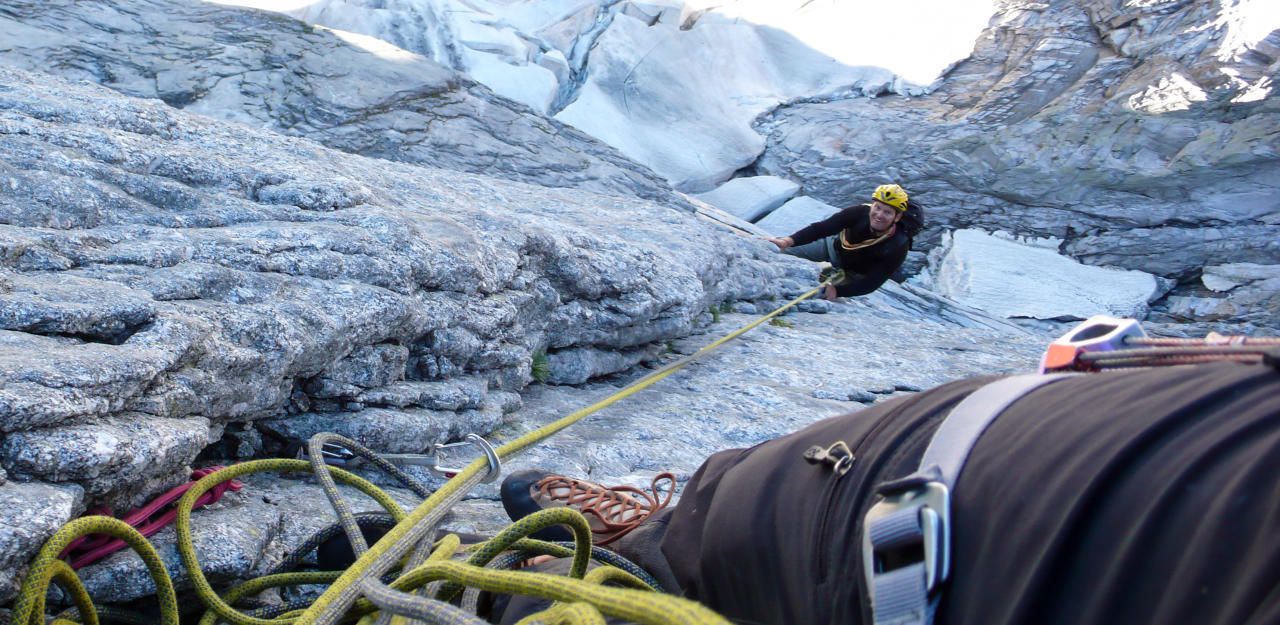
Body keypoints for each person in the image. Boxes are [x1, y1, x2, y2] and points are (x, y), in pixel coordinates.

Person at [496, 356, 1280, 625]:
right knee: (689, 546)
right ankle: (619, 563)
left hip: (985, 464)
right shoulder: (869, 222)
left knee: (722, 529)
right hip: (941, 479)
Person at [766, 184, 914, 300]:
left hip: (856, 273)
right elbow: (822, 228)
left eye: (887, 212)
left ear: (897, 217)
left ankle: (831, 275)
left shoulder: (898, 245)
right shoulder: (858, 212)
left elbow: (872, 282)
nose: (879, 215)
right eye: (877, 207)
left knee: (817, 294)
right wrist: (788, 241)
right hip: (834, 248)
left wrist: (838, 291)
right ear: (872, 205)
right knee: (778, 250)